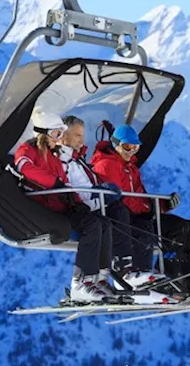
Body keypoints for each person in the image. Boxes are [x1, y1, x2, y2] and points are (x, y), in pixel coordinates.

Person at [91, 122, 190, 302]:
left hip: (140, 216)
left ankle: (188, 285)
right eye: (127, 147)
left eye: (135, 147)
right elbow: (117, 199)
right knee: (146, 229)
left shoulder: (130, 168)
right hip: (124, 221)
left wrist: (162, 206)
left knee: (189, 230)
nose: (131, 152)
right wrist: (149, 208)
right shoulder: (106, 165)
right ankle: (149, 282)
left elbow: (141, 197)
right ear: (115, 144)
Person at [58, 115, 167, 304]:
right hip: (81, 207)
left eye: (83, 135)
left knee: (130, 222)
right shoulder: (65, 159)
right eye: (77, 135)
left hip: (92, 204)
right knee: (117, 213)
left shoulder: (78, 159)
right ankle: (122, 272)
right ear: (63, 136)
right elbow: (69, 186)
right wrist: (98, 195)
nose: (82, 140)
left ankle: (104, 280)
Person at [13, 110, 118, 304]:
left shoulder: (53, 158)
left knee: (103, 223)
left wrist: (78, 202)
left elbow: (66, 186)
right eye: (55, 134)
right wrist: (54, 183)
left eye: (60, 134)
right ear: (42, 134)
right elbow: (24, 167)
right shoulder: (28, 150)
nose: (58, 139)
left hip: (60, 205)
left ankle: (99, 278)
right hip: (43, 208)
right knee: (91, 226)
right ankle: (81, 284)